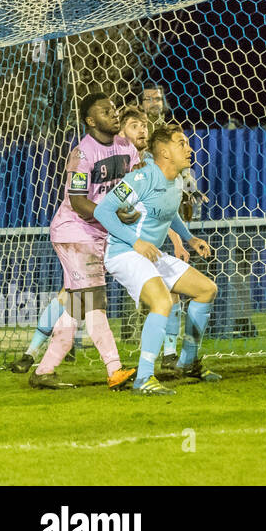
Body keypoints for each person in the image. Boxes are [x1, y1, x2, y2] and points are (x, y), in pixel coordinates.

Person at [19, 94, 138, 391]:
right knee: (95, 301)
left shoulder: (126, 147)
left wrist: (131, 206)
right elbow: (78, 202)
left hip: (97, 232)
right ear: (89, 120)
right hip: (74, 233)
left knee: (75, 305)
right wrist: (114, 216)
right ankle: (114, 369)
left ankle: (44, 371)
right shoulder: (82, 155)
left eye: (114, 108)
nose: (114, 113)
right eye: (105, 111)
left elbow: (133, 184)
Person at [94, 123, 221, 395]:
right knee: (162, 301)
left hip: (151, 253)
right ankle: (144, 378)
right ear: (164, 152)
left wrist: (189, 238)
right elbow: (103, 211)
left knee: (206, 290)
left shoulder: (176, 179)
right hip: (124, 253)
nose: (189, 149)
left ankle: (187, 361)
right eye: (181, 143)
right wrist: (136, 242)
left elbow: (169, 211)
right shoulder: (142, 178)